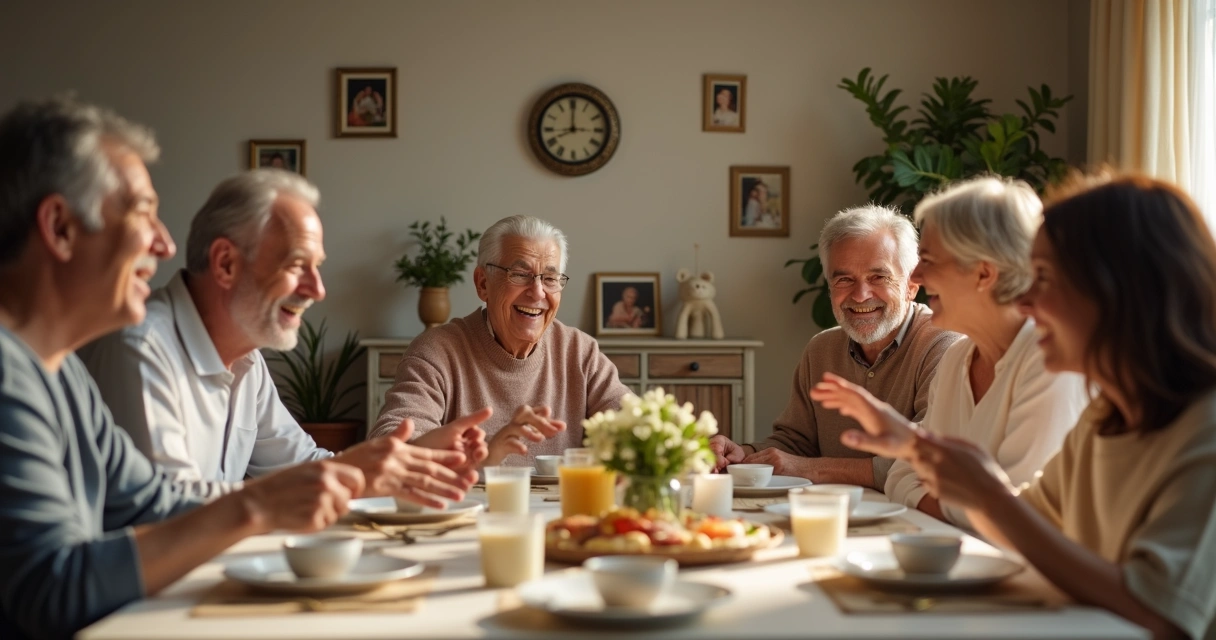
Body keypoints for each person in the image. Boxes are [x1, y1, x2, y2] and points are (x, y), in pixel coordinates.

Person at [0, 98, 467, 639]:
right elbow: (49, 591)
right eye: (141, 211)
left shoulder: (58, 372)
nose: (165, 242)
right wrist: (257, 505)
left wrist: (365, 468)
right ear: (60, 227)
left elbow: (154, 502)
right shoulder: (13, 371)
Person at [813, 174, 1216, 640]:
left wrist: (982, 493)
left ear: (1119, 291)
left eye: (1044, 279)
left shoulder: (1202, 427)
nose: (1023, 298)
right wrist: (918, 450)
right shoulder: (1105, 418)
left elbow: (1161, 616)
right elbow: (1026, 528)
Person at [80, 169, 488, 502]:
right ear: (225, 264)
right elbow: (168, 509)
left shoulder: (246, 358)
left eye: (318, 267)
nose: (317, 289)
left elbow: (303, 465)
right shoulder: (142, 348)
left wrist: (414, 456)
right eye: (297, 265)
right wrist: (350, 477)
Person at [879, 176, 1090, 528]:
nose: (916, 274)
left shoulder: (1050, 363)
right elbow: (899, 478)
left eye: (928, 259)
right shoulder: (955, 359)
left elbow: (1019, 515)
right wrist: (971, 506)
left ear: (983, 273)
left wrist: (953, 502)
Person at [710, 205, 961, 489]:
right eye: (844, 279)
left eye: (879, 277)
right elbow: (795, 443)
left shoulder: (945, 345)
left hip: (915, 523)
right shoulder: (821, 349)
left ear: (912, 285)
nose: (860, 294)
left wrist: (812, 469)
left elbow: (928, 460)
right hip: (833, 515)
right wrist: (745, 454)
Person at [371, 215, 631, 467]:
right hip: (468, 510)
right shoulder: (437, 351)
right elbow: (391, 443)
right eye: (519, 274)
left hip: (562, 510)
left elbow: (636, 424)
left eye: (550, 279)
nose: (538, 292)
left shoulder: (580, 352)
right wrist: (477, 457)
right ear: (483, 283)